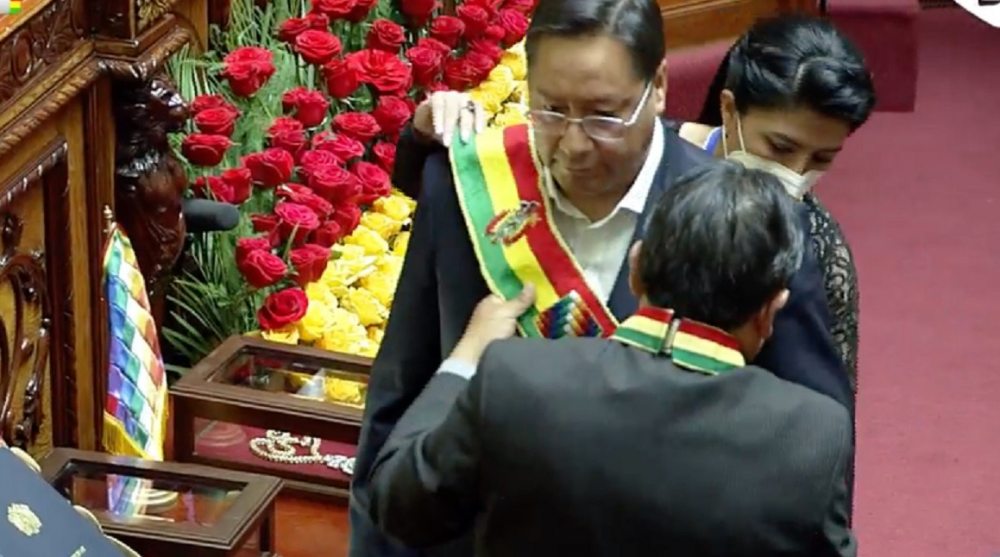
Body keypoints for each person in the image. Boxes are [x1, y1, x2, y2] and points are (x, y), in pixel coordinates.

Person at [350, 1, 713, 556]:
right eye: (550, 110)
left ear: (658, 87)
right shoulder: (467, 188)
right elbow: (399, 394)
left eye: (603, 116)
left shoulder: (729, 214)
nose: (573, 144)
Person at [367, 161, 857, 557]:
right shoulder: (812, 434)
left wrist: (466, 356)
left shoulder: (516, 376)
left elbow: (399, 502)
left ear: (636, 268)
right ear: (771, 309)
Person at [679, 14, 876, 390]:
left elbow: (828, 406)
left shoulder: (819, 245)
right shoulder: (651, 167)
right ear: (728, 109)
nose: (795, 175)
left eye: (821, 159)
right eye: (780, 147)